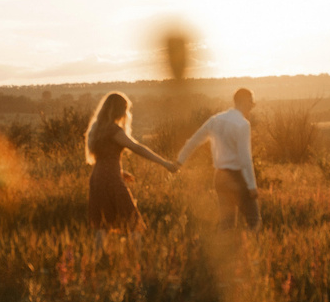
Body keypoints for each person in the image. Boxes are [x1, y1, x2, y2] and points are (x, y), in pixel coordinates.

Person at [84, 92, 177, 229]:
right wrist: (165, 163)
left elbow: (104, 157)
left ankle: (99, 251)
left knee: (102, 225)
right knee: (133, 222)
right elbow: (137, 148)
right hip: (111, 178)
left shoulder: (97, 129)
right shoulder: (114, 130)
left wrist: (120, 171)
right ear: (120, 110)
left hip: (96, 178)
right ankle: (137, 251)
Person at [176, 88, 259, 229]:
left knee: (227, 225)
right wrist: (252, 186)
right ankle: (253, 250)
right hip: (236, 176)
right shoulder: (243, 124)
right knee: (254, 221)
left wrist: (180, 161)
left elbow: (194, 140)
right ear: (244, 101)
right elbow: (245, 158)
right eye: (251, 102)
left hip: (219, 177)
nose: (252, 106)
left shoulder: (215, 120)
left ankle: (226, 249)